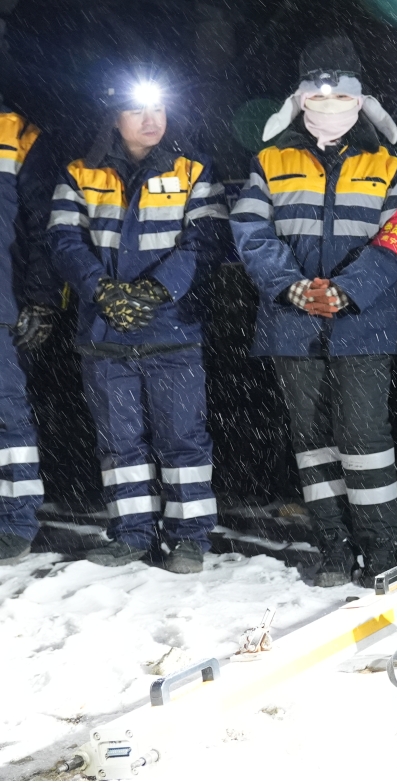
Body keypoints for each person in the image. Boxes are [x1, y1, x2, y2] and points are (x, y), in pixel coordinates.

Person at [231, 35, 397, 587]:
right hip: (293, 324)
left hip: (363, 322)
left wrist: (347, 290)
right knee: (311, 442)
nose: (329, 104)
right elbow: (250, 232)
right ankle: (334, 548)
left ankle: (381, 551)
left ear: (360, 101)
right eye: (318, 94)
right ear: (299, 99)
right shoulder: (269, 161)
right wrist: (291, 287)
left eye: (340, 96)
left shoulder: (388, 165)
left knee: (365, 438)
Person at [47, 65, 227, 573]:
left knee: (182, 439)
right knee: (119, 442)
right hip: (105, 332)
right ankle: (131, 534)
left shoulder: (193, 170)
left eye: (159, 108)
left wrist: (154, 290)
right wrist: (101, 289)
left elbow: (205, 241)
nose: (151, 119)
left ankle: (189, 538)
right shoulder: (79, 173)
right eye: (137, 110)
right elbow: (62, 240)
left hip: (173, 328)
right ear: (113, 116)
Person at [0, 102, 62, 563]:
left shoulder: (15, 131)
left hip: (1, 303)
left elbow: (44, 224)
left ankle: (14, 523)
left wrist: (41, 297)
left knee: (7, 417)